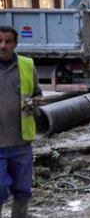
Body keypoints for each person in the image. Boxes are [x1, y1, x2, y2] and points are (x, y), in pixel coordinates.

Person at [0, 26, 42, 217]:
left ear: (15, 44)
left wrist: (34, 104)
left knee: (23, 191)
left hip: (21, 143)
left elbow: (37, 94)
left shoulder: (26, 65)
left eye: (8, 41)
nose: (3, 46)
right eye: (0, 41)